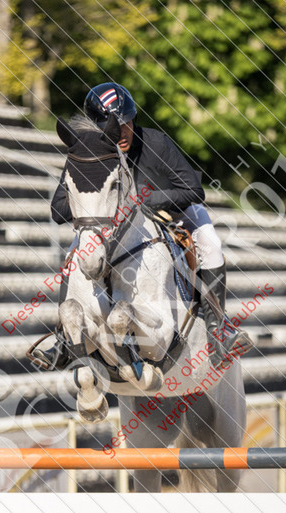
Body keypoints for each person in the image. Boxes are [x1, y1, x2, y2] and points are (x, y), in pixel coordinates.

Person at [43, 82, 253, 369]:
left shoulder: (156, 142)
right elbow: (58, 210)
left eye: (127, 124)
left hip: (174, 210)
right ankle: (64, 339)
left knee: (210, 243)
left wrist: (144, 200)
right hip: (116, 224)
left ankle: (219, 332)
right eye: (114, 128)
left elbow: (194, 191)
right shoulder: (87, 152)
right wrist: (89, 203)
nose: (123, 133)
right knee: (75, 252)